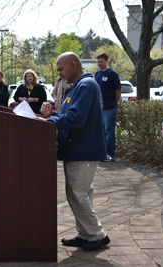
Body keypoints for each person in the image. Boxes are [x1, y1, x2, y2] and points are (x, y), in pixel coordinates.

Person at [40, 52, 110, 252]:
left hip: (83, 150)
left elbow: (75, 119)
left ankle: (97, 235)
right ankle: (86, 234)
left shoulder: (86, 86)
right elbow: (69, 115)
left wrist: (48, 121)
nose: (59, 74)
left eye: (61, 69)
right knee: (81, 194)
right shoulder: (79, 87)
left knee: (77, 194)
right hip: (78, 150)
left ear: (73, 65)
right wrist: (52, 114)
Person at [95, 53, 122, 162]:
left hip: (109, 107)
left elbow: (118, 90)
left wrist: (115, 103)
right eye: (97, 61)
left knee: (109, 130)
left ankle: (110, 154)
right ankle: (101, 153)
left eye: (101, 61)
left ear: (106, 61)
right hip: (99, 107)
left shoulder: (112, 74)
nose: (99, 63)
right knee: (100, 131)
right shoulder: (97, 74)